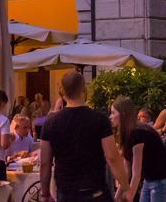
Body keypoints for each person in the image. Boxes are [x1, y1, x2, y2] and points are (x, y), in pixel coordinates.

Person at [40, 71, 130, 202]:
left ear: (62, 92)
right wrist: (126, 187)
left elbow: (45, 162)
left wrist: (45, 193)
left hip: (66, 193)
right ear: (84, 89)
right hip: (95, 191)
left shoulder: (51, 122)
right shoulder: (99, 119)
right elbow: (112, 157)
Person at [111, 97, 166, 202]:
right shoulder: (127, 133)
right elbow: (126, 171)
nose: (110, 117)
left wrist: (129, 196)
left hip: (161, 179)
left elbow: (136, 173)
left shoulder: (138, 133)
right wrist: (117, 197)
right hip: (149, 178)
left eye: (113, 113)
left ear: (123, 114)